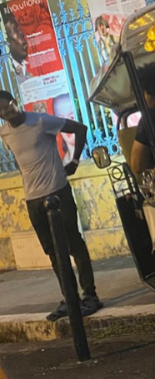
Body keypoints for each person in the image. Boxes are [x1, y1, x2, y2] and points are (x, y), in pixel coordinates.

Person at [0, 90, 102, 321]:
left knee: (73, 244)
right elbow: (19, 159)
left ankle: (90, 295)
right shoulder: (5, 132)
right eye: (1, 111)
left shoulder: (41, 121)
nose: (6, 112)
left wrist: (74, 161)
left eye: (8, 106)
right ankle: (70, 298)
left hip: (57, 192)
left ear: (15, 102)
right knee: (53, 252)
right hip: (33, 199)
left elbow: (80, 129)